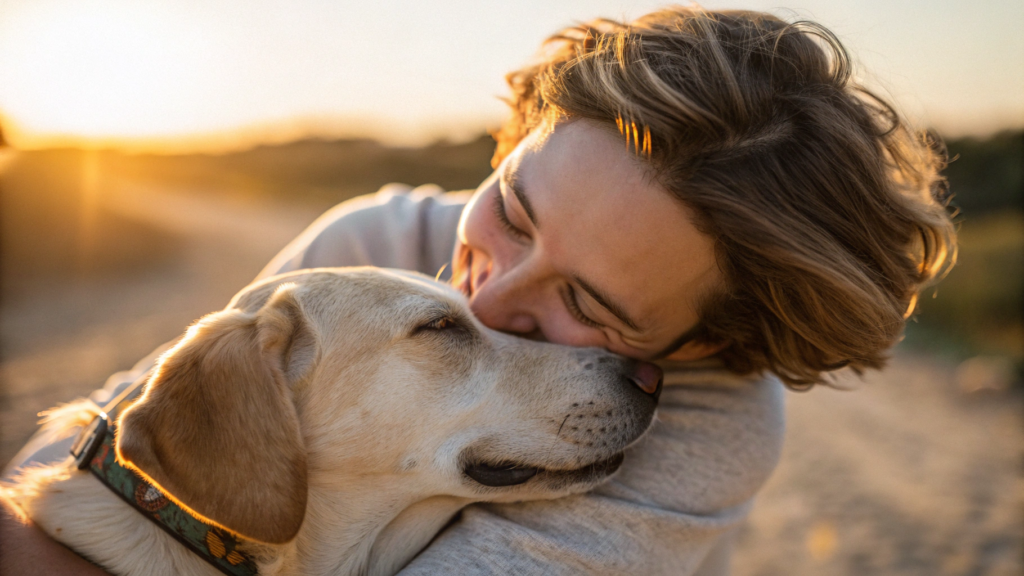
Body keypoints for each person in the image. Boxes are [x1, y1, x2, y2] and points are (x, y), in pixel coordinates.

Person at [1, 6, 955, 575]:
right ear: (509, 147)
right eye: (515, 208)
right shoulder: (367, 254)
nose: (490, 302)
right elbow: (140, 453)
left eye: (591, 307)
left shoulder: (709, 423)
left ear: (701, 347)